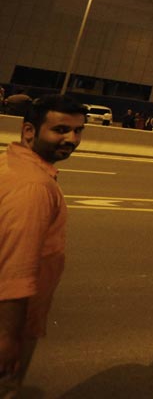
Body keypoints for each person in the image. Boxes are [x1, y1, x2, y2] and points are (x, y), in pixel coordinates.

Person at [0, 95, 86, 396]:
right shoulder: (34, 187)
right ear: (28, 131)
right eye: (60, 130)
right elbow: (16, 270)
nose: (71, 139)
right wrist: (8, 339)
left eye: (78, 131)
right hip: (11, 325)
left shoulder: (8, 162)